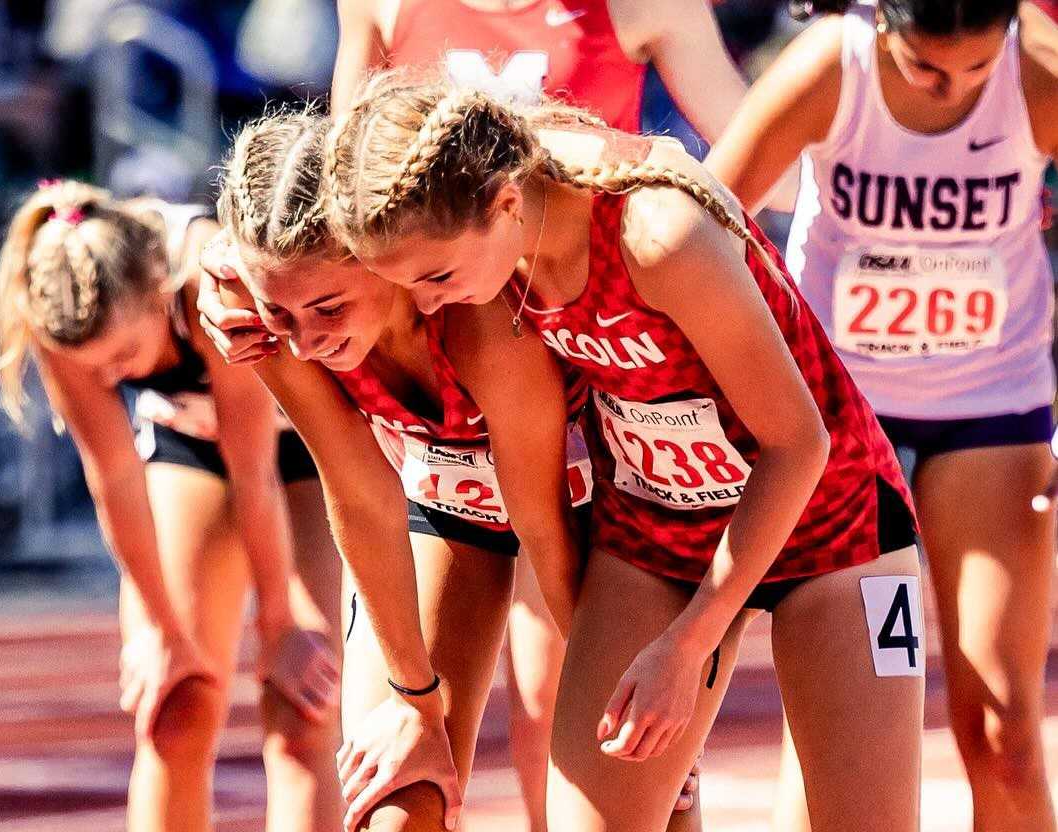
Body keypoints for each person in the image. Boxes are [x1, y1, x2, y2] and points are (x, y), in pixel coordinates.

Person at [320, 70, 927, 832]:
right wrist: (216, 275)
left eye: (436, 277)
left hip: (833, 529)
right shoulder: (489, 265)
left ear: (506, 202)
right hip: (656, 535)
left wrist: (686, 649)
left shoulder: (656, 235)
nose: (430, 305)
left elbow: (799, 443)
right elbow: (277, 220)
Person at [329, 4, 777, 824]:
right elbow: (338, 185)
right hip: (463, 397)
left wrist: (672, 246)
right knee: (409, 776)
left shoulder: (639, 7)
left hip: (594, 407)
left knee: (558, 710)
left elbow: (760, 166)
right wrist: (226, 255)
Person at [199, 110, 673, 832]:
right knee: (391, 798)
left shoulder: (482, 323)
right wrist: (416, 706)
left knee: (618, 779)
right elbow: (359, 495)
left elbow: (544, 528)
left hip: (586, 513)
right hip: (449, 502)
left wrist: (623, 687)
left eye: (328, 306)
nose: (310, 338)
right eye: (281, 313)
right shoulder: (277, 321)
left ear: (377, 251)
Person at [705, 2, 1058, 828]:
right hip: (844, 427)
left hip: (991, 409)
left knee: (1005, 731)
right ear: (882, 21)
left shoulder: (1037, 66)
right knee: (835, 728)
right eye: (928, 69)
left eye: (978, 69)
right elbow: (703, 216)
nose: (954, 89)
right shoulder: (834, 64)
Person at [0, 180, 343, 832]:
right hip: (188, 446)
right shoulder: (58, 314)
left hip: (302, 452)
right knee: (174, 711)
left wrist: (280, 624)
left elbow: (254, 468)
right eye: (101, 372)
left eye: (126, 357)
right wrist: (161, 628)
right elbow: (114, 475)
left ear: (158, 291)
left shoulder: (210, 276)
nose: (115, 379)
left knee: (301, 712)